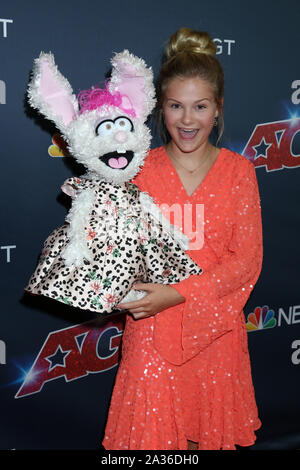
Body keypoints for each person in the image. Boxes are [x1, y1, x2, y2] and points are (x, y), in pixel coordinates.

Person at [102, 27, 263, 451]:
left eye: (200, 106)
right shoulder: (138, 171)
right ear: (161, 109)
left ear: (218, 108)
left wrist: (174, 294)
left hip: (216, 333)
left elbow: (245, 262)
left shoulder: (239, 173)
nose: (187, 120)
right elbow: (117, 251)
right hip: (150, 331)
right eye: (176, 106)